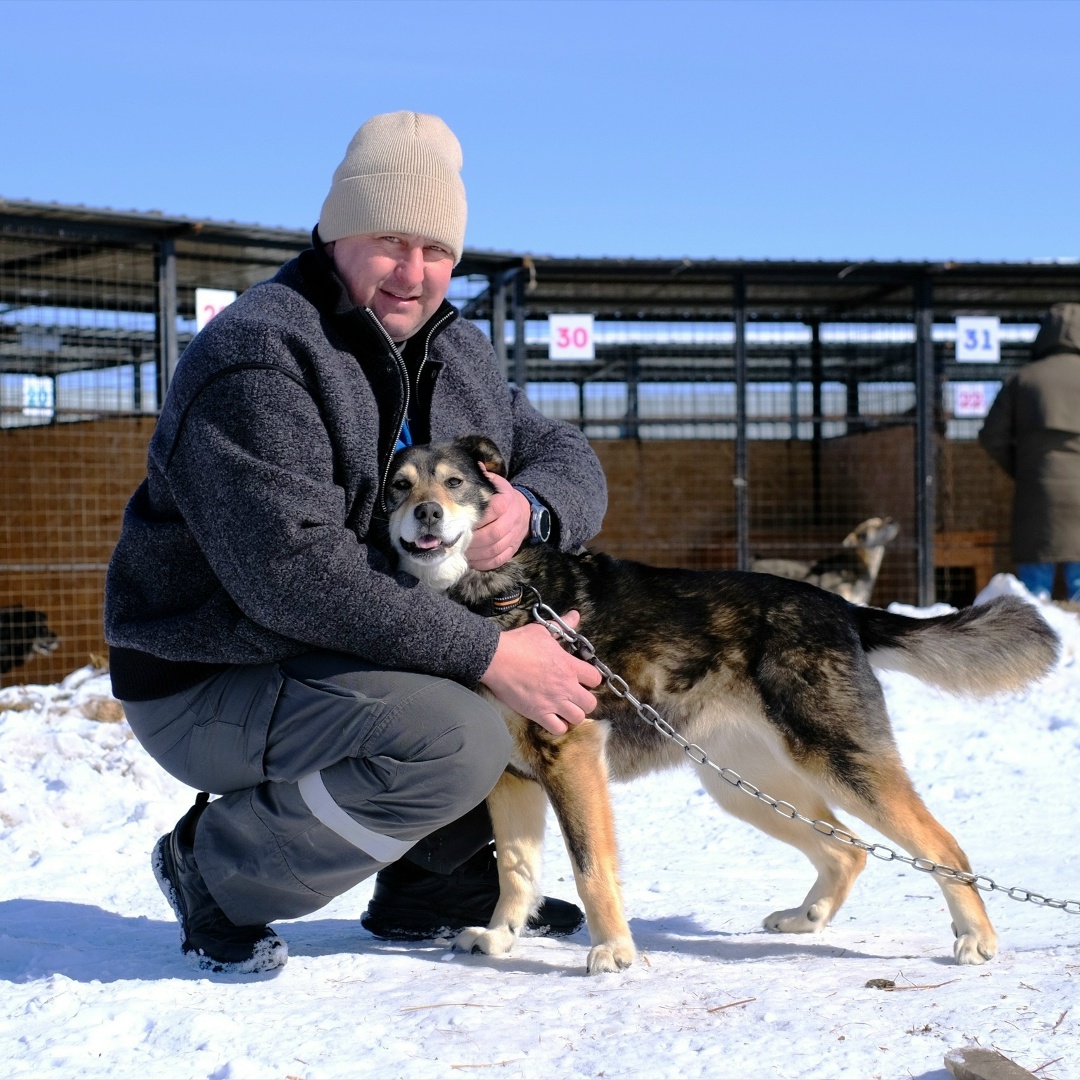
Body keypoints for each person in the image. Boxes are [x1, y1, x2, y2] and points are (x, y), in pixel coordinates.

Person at [104, 111, 607, 974]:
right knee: (460, 734)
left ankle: (432, 888)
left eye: (438, 251)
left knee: (452, 660)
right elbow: (292, 576)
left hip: (336, 651)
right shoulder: (262, 354)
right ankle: (218, 871)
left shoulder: (459, 351)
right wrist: (490, 652)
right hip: (210, 670)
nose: (415, 274)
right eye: (390, 242)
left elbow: (569, 456)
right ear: (337, 233)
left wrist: (531, 505)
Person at [978, 302, 1080, 602]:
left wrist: (1023, 469)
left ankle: (1040, 648)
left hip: (1037, 494)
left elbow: (990, 436)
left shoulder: (1022, 379)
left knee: (1034, 599)